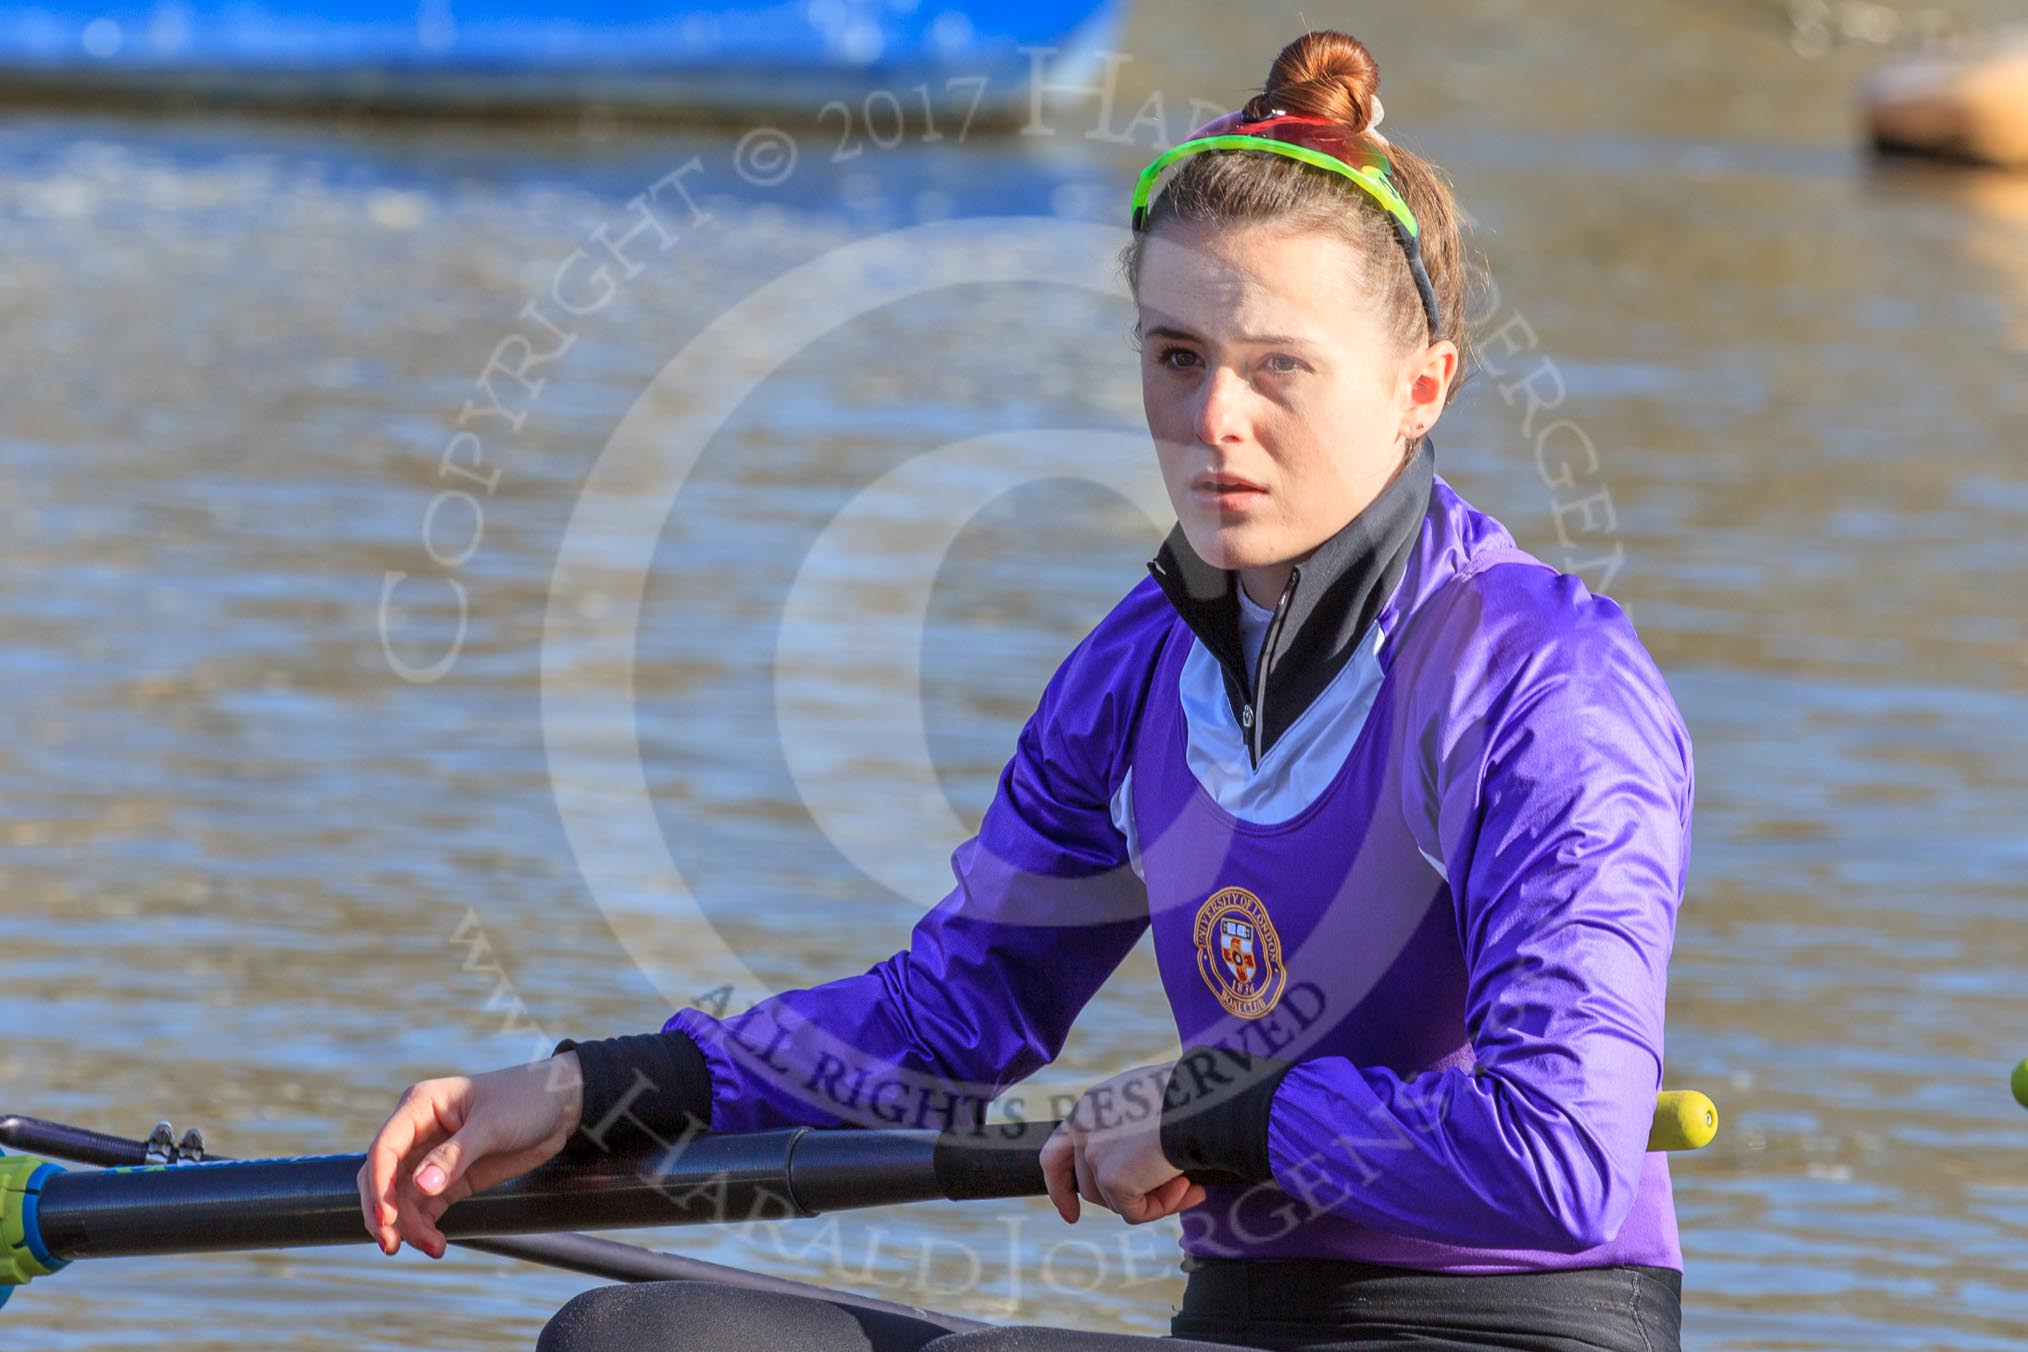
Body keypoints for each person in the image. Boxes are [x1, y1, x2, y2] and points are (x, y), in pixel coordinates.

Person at [357, 28, 1693, 1352]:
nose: (1215, 419)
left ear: (1422, 387)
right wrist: (610, 1090)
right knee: (633, 1341)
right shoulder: (1140, 665)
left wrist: (1223, 1112)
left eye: (1278, 365)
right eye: (1177, 358)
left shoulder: (1544, 686)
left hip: (1511, 1327)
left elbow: (1558, 1159)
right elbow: (953, 1022)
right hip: (1244, 1320)